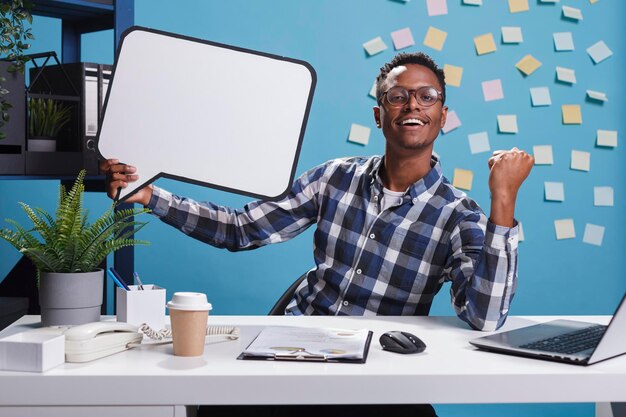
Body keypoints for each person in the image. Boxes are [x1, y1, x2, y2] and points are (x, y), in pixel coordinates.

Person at [101, 52, 534, 416]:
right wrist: (151, 196)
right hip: (293, 350)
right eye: (398, 97)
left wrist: (503, 203)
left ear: (443, 114)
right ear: (379, 115)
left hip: (380, 368)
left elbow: (484, 317)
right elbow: (242, 229)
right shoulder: (333, 178)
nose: (413, 106)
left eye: (427, 96)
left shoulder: (461, 214)